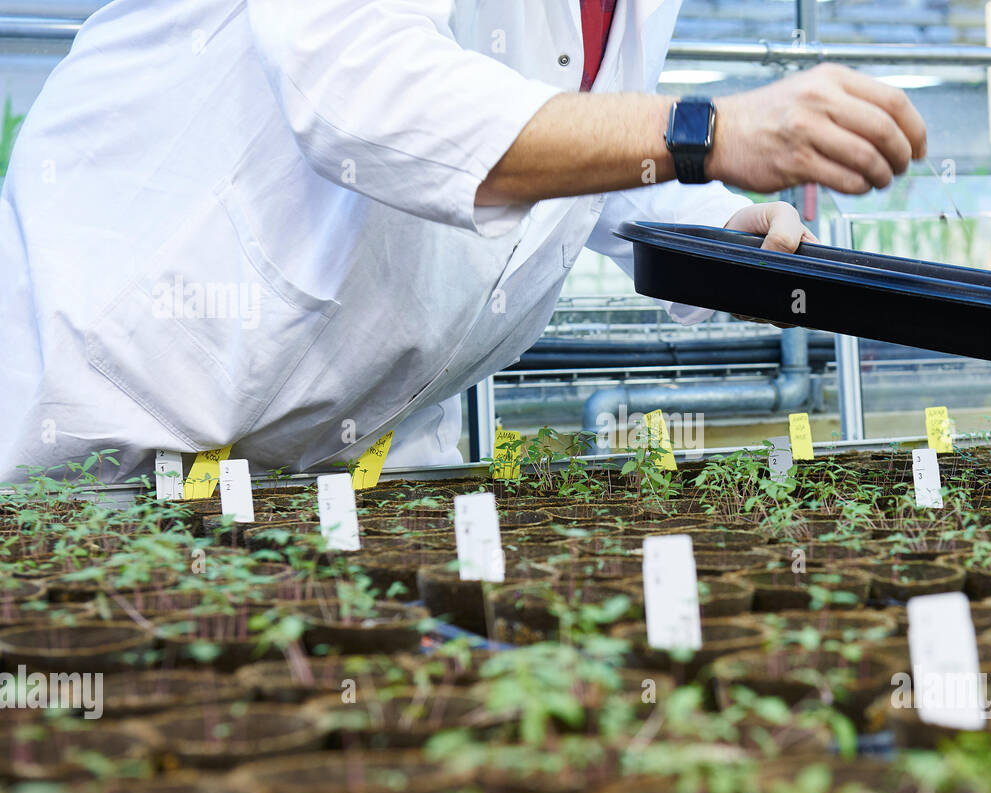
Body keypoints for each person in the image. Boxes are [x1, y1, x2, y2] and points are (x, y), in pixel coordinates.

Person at [0, 0, 926, 484]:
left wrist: (702, 217)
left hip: (351, 447)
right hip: (113, 410)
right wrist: (702, 131)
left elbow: (541, 113)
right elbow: (365, 98)